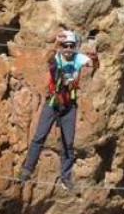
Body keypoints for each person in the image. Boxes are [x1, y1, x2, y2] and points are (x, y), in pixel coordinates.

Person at [18, 29, 96, 191]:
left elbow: (94, 64)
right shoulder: (57, 57)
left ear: (75, 47)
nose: (68, 49)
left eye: (71, 45)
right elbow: (49, 59)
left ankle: (66, 177)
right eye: (65, 45)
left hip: (69, 105)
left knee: (68, 142)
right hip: (53, 102)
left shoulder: (78, 58)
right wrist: (56, 44)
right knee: (40, 136)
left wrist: (95, 59)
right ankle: (27, 169)